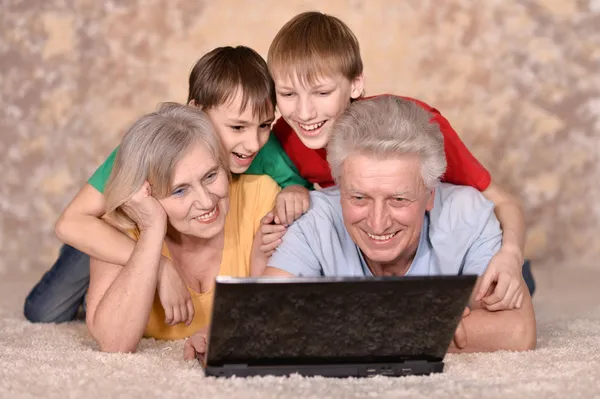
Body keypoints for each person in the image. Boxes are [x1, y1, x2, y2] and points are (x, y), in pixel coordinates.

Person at [263, 11, 535, 310]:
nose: (304, 112)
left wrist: (510, 254)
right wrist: (295, 190)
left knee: (501, 292)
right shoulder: (287, 136)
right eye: (287, 93)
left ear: (355, 85)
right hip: (374, 249)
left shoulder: (417, 132)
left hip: (450, 244)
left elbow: (504, 203)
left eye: (322, 92)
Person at [24, 46, 310, 325]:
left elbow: (298, 188)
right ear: (196, 111)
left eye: (264, 125)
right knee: (43, 311)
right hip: (110, 231)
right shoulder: (153, 150)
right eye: (237, 127)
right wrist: (160, 267)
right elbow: (71, 223)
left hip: (187, 227)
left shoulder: (264, 150)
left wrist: (293, 190)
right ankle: (98, 286)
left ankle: (103, 298)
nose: (252, 144)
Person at [263, 96, 537, 353]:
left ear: (430, 194)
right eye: (359, 197)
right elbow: (264, 322)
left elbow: (517, 330)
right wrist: (430, 326)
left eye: (398, 199)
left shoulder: (468, 212)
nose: (377, 222)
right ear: (339, 187)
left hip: (488, 254)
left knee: (519, 278)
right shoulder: (313, 216)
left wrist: (347, 328)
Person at [87, 102, 280, 352]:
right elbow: (115, 345)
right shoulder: (119, 227)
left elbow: (281, 314)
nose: (206, 200)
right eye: (179, 190)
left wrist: (223, 329)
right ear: (145, 194)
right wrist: (152, 230)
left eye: (211, 176)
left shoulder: (261, 198)